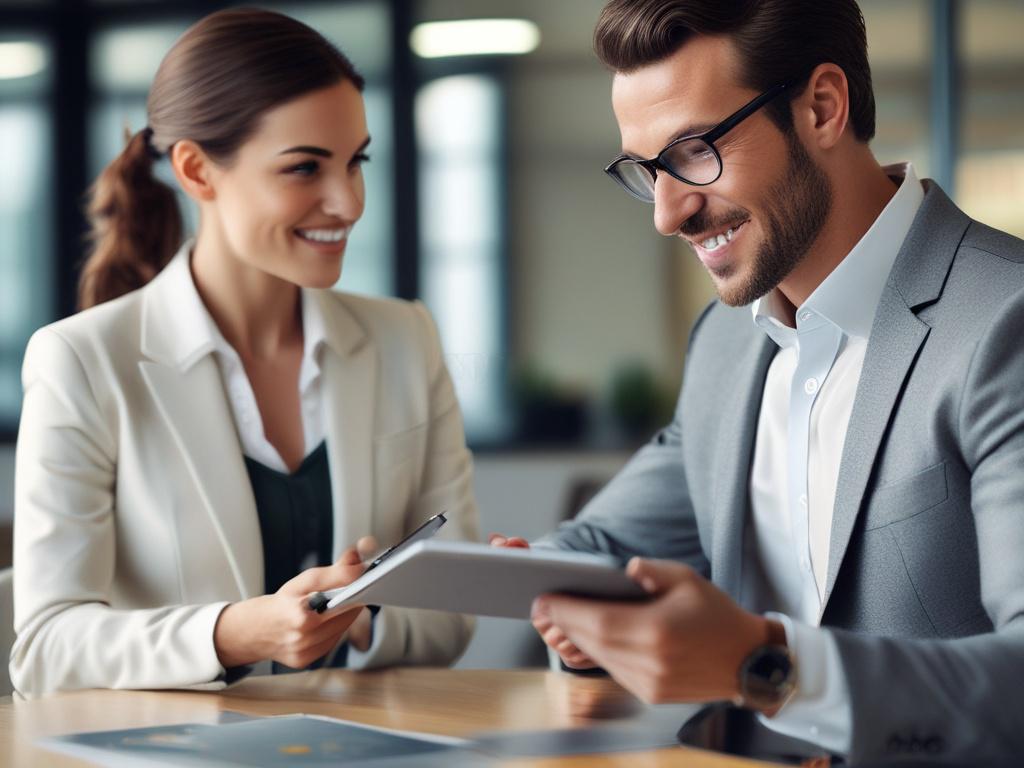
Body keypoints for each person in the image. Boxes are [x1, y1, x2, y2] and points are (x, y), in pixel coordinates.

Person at [493, 0, 1024, 763]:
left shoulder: (1005, 323)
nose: (668, 213)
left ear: (822, 107)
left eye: (695, 150)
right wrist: (571, 610)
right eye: (647, 171)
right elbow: (604, 544)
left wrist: (764, 665)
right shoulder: (724, 345)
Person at [11, 8, 479, 698]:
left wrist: (358, 613)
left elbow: (455, 610)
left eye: (357, 162)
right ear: (197, 170)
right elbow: (46, 651)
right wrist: (239, 631)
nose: (347, 202)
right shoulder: (81, 362)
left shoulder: (406, 340)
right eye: (304, 168)